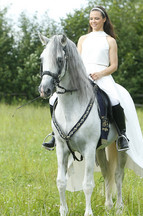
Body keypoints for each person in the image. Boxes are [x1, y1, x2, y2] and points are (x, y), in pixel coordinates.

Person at [42, 6, 129, 151]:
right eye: (91, 18)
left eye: (96, 18)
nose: (93, 21)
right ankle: (54, 135)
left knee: (115, 100)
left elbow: (114, 66)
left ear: (104, 19)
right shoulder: (83, 39)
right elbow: (77, 61)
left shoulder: (110, 40)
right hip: (83, 76)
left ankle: (122, 136)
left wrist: (100, 74)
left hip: (103, 76)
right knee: (53, 99)